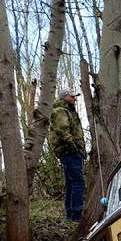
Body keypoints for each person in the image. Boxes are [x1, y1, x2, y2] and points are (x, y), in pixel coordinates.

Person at [49, 87, 86, 221]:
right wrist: (75, 148)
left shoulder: (68, 111)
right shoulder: (60, 111)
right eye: (72, 96)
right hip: (69, 151)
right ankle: (76, 215)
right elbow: (63, 132)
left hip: (71, 151)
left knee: (72, 183)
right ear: (65, 97)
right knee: (78, 182)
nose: (75, 99)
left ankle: (71, 215)